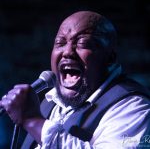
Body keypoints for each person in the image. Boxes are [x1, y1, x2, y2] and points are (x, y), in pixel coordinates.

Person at [0, 10, 150, 149]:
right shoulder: (50, 103)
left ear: (110, 58)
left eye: (82, 43)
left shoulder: (134, 107)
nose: (67, 52)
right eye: (60, 43)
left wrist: (33, 121)